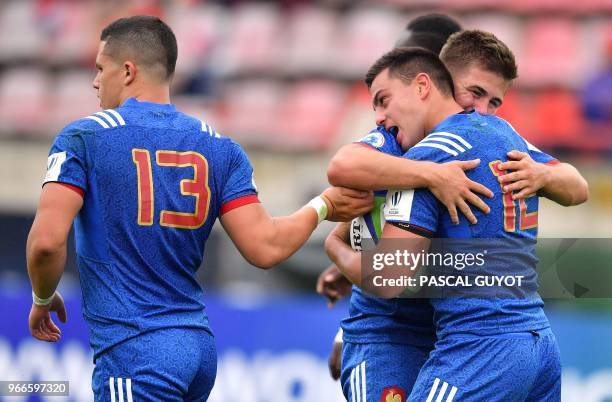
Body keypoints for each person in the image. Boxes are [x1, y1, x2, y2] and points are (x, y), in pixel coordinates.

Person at [25, 16, 372, 401]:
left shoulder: (84, 137)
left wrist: (42, 297)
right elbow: (266, 247)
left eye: (99, 68)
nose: (94, 81)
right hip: (197, 348)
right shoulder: (220, 147)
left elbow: (45, 243)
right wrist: (323, 205)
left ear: (127, 71)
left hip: (136, 349)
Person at [321, 28, 589, 401]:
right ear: (436, 80)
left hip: (475, 343)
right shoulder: (406, 137)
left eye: (494, 100)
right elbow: (344, 170)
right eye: (475, 92)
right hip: (512, 340)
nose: (481, 109)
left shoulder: (444, 145)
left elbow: (386, 274)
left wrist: (337, 248)